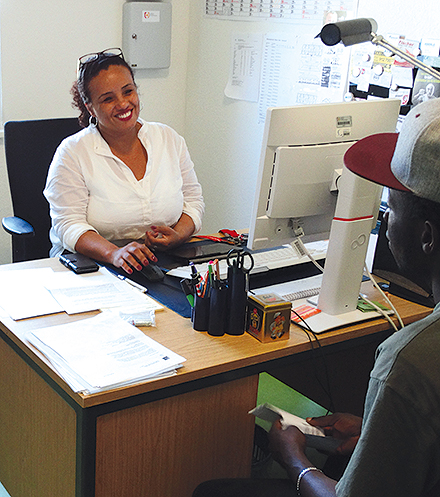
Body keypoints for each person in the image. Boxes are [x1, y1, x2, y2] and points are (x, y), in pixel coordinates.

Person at [193, 97, 440, 497]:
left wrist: (292, 459)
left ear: (426, 235)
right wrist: (372, 428)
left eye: (389, 209)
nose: (384, 220)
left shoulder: (410, 364)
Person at [44, 48, 204, 275]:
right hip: (94, 268)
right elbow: (68, 224)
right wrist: (114, 253)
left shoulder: (168, 138)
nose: (123, 104)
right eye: (108, 99)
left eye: (128, 91)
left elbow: (193, 202)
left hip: (163, 263)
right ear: (90, 107)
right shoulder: (72, 153)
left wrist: (178, 235)